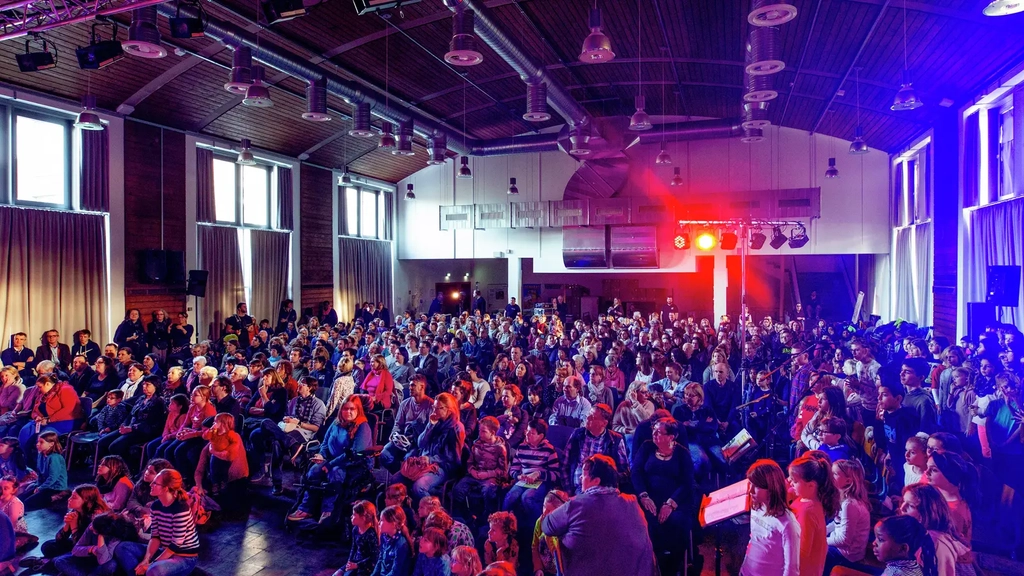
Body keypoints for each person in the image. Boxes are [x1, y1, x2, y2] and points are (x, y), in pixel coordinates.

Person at [541, 454, 657, 576]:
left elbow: (547, 525)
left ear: (596, 481)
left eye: (584, 475)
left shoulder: (576, 504)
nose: (580, 478)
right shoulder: (632, 501)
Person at [288, 395, 372, 523]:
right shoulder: (336, 422)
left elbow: (354, 454)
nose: (348, 412)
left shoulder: (362, 426)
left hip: (352, 464)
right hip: (331, 460)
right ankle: (306, 508)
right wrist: (321, 455)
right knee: (314, 471)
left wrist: (330, 464)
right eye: (345, 408)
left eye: (352, 409)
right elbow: (326, 443)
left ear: (358, 410)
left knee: (336, 473)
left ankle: (328, 511)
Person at [632, 417, 695, 576]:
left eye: (659, 432)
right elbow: (636, 472)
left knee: (676, 522)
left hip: (675, 500)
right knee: (645, 520)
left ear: (671, 437)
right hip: (649, 497)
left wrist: (670, 504)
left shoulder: (682, 453)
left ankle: (672, 566)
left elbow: (687, 483)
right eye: (653, 430)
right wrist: (643, 495)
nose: (654, 434)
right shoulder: (647, 447)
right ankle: (649, 563)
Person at [114, 469, 200, 576]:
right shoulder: (156, 506)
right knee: (122, 547)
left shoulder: (180, 508)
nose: (151, 484)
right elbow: (155, 537)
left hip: (184, 557)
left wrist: (150, 565)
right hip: (164, 551)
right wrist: (146, 560)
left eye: (155, 483)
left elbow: (175, 545)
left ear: (165, 488)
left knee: (154, 570)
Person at [395, 392, 465, 500]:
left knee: (419, 487)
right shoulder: (435, 421)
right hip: (424, 463)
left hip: (443, 467)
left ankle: (434, 513)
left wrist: (430, 459)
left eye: (438, 408)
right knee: (396, 480)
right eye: (434, 407)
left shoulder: (456, 428)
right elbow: (421, 443)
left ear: (449, 410)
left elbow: (451, 457)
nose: (434, 411)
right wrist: (430, 425)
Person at [900, 483, 974, 575]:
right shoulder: (924, 533)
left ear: (927, 512)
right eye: (904, 501)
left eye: (911, 506)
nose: (902, 508)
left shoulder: (933, 542)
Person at [741, 459, 799, 576]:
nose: (750, 490)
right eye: (750, 484)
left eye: (756, 486)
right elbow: (754, 540)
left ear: (772, 488)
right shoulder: (756, 506)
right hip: (747, 571)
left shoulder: (787, 523)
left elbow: (791, 567)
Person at [788, 452, 838, 576]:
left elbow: (802, 553)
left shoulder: (807, 512)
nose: (790, 482)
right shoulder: (808, 497)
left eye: (794, 481)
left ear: (811, 485)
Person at [452, 416, 507, 522]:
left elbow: (502, 471)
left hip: (490, 478)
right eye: (479, 431)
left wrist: (486, 474)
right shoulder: (477, 444)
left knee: (488, 491)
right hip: (475, 475)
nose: (480, 434)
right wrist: (473, 471)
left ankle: (486, 518)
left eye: (484, 431)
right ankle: (467, 517)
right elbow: (470, 463)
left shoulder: (500, 448)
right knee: (458, 490)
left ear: (492, 432)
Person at [825, 459, 873, 575]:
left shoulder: (850, 504)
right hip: (844, 549)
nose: (830, 476)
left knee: (816, 552)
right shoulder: (845, 499)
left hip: (848, 555)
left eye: (835, 474)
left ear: (848, 480)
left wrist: (821, 540)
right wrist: (822, 531)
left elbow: (844, 540)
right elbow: (837, 522)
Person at [872, 515, 937, 576]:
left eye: (880, 539)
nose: (874, 543)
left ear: (903, 549)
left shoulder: (894, 574)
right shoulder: (915, 566)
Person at [23, 431, 67, 511]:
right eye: (38, 442)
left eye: (41, 442)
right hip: (45, 485)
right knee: (21, 497)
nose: (37, 444)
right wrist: (38, 485)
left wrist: (41, 488)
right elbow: (40, 472)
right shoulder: (41, 454)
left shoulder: (54, 458)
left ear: (51, 444)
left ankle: (58, 496)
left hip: (55, 487)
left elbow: (53, 477)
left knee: (27, 503)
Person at [338, 500, 379, 576]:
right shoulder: (355, 529)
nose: (351, 516)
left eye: (354, 515)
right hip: (355, 561)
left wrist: (357, 565)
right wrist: (349, 562)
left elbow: (374, 557)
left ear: (363, 517)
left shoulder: (371, 534)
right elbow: (354, 548)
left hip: (365, 565)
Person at [372, 505, 413, 576]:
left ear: (393, 524)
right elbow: (381, 559)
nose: (378, 523)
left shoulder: (401, 545)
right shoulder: (383, 536)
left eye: (382, 520)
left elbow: (396, 572)